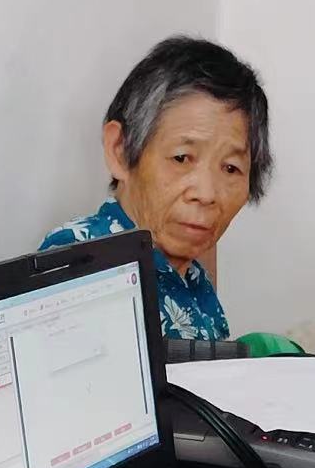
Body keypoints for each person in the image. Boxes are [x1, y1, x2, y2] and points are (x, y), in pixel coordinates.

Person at [43, 35, 272, 339]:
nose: (206, 194)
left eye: (231, 168)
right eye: (181, 158)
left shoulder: (192, 276)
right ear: (121, 151)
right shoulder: (81, 264)